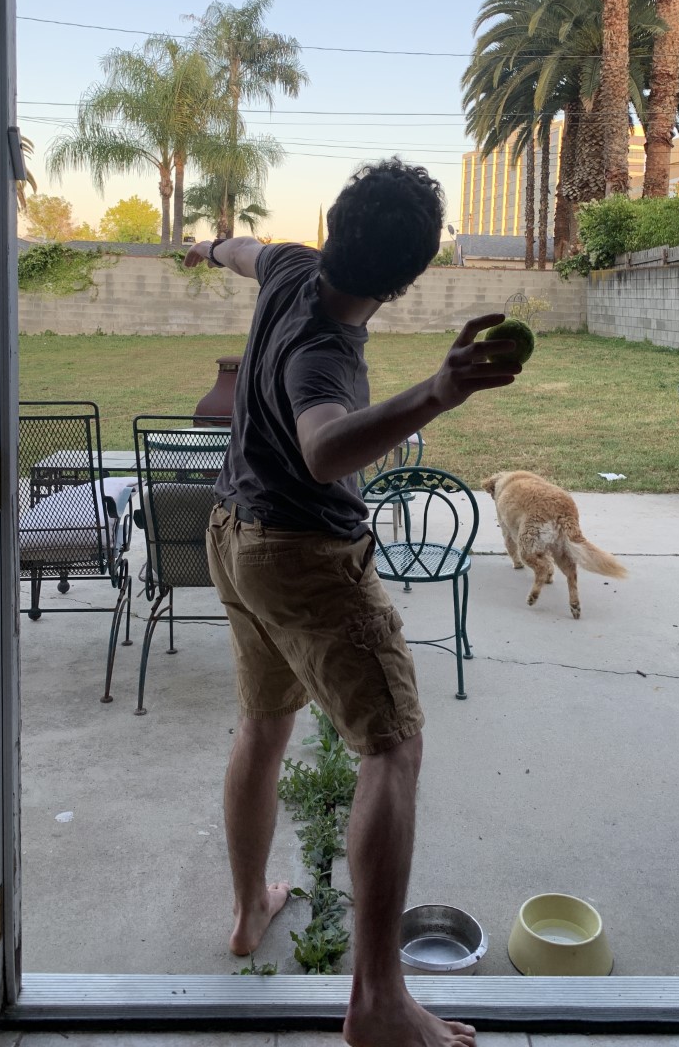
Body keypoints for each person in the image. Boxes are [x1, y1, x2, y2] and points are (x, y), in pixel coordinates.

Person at [184, 157, 520, 1047]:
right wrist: (439, 391)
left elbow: (243, 250)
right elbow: (326, 449)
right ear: (407, 282)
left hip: (232, 535)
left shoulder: (289, 265)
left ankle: (249, 910)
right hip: (302, 557)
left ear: (331, 225)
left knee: (264, 728)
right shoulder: (327, 351)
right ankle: (377, 1002)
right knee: (393, 748)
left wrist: (207, 247)